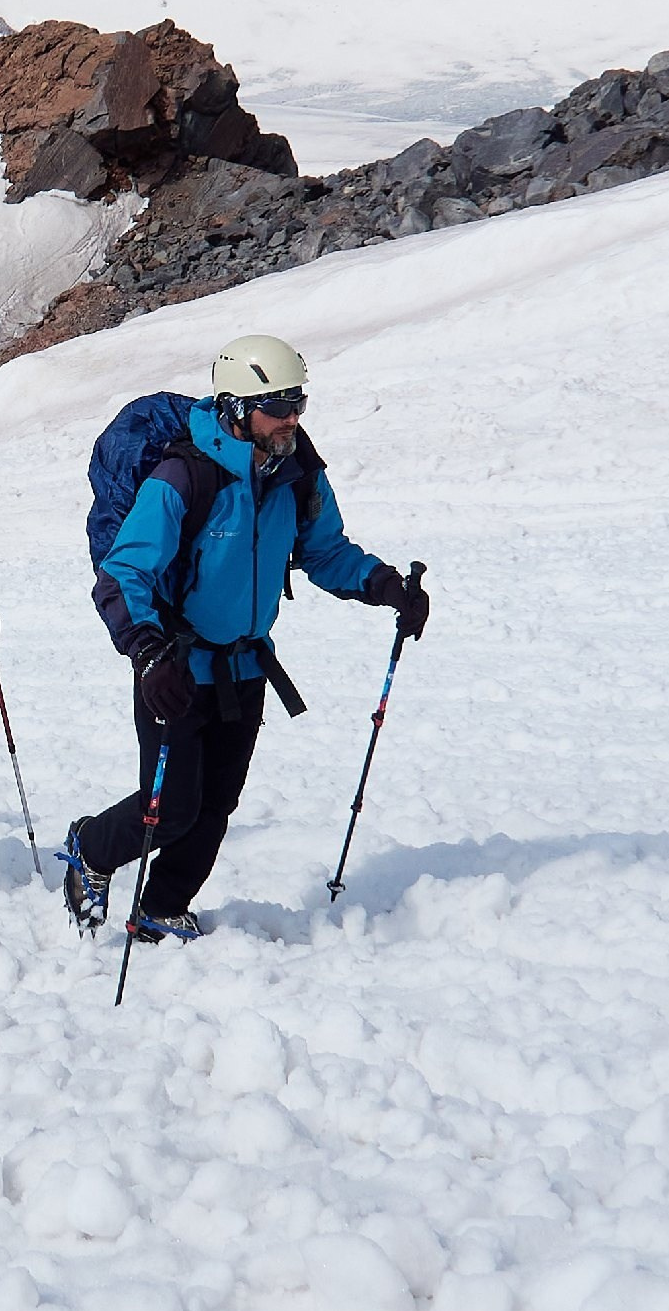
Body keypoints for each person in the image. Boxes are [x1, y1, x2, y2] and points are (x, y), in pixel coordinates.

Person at [62, 335, 429, 943]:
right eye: (277, 406)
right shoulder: (184, 476)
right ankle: (92, 849)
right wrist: (149, 654)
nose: (291, 418)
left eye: (297, 404)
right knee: (171, 807)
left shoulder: (296, 474)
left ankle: (161, 903)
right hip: (175, 668)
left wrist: (385, 585)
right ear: (236, 407)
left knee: (215, 805)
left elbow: (325, 550)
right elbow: (124, 572)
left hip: (245, 668)